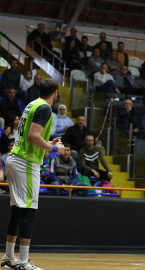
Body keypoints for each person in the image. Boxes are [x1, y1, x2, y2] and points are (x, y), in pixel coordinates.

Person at [1, 78, 65, 270]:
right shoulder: (45, 108)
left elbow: (34, 136)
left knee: (17, 211)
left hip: (15, 159)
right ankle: (23, 262)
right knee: (28, 212)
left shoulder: (32, 104)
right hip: (25, 163)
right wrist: (54, 149)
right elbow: (33, 136)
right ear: (55, 93)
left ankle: (9, 257)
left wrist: (48, 143)